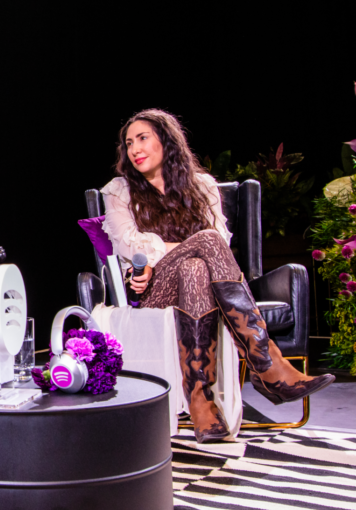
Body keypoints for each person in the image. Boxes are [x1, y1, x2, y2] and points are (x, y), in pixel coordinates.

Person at [100, 108, 334, 443]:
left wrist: (177, 250)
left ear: (166, 140)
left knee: (195, 266)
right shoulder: (118, 191)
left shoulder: (202, 186)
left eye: (142, 138)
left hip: (202, 287)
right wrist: (181, 248)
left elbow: (220, 243)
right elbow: (130, 244)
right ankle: (266, 363)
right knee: (205, 242)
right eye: (128, 143)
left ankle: (201, 402)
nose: (134, 148)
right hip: (151, 287)